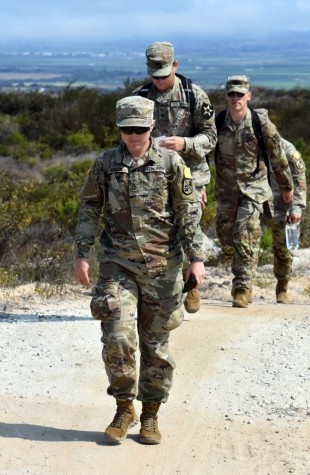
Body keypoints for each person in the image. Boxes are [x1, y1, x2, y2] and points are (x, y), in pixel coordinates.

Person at [73, 96, 205, 445]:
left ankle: (150, 414)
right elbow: (89, 209)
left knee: (156, 346)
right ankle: (123, 407)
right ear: (120, 129)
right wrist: (82, 254)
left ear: (151, 128)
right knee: (117, 336)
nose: (133, 136)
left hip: (163, 267)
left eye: (139, 129)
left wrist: (197, 257)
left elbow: (188, 212)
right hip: (118, 265)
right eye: (126, 130)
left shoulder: (171, 163)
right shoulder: (106, 163)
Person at [132, 41, 217, 314]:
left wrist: (185, 144)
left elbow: (211, 137)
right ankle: (159, 291)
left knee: (187, 230)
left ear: (175, 67)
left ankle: (190, 286)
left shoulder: (195, 96)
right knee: (158, 233)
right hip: (153, 177)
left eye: (164, 75)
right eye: (154, 76)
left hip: (190, 174)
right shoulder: (141, 97)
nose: (159, 81)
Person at [214, 75, 294, 308]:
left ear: (248, 96)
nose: (236, 98)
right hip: (226, 192)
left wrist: (287, 186)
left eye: (240, 94)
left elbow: (279, 158)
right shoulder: (218, 123)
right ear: (227, 96)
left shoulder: (261, 124)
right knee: (227, 240)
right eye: (232, 94)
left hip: (254, 191)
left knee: (244, 235)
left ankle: (241, 288)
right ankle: (245, 270)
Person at [262, 138, 307, 303]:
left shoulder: (288, 150)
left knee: (284, 251)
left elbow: (299, 182)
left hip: (283, 207)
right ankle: (244, 288)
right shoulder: (251, 146)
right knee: (247, 245)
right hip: (257, 204)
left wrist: (296, 209)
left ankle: (282, 286)